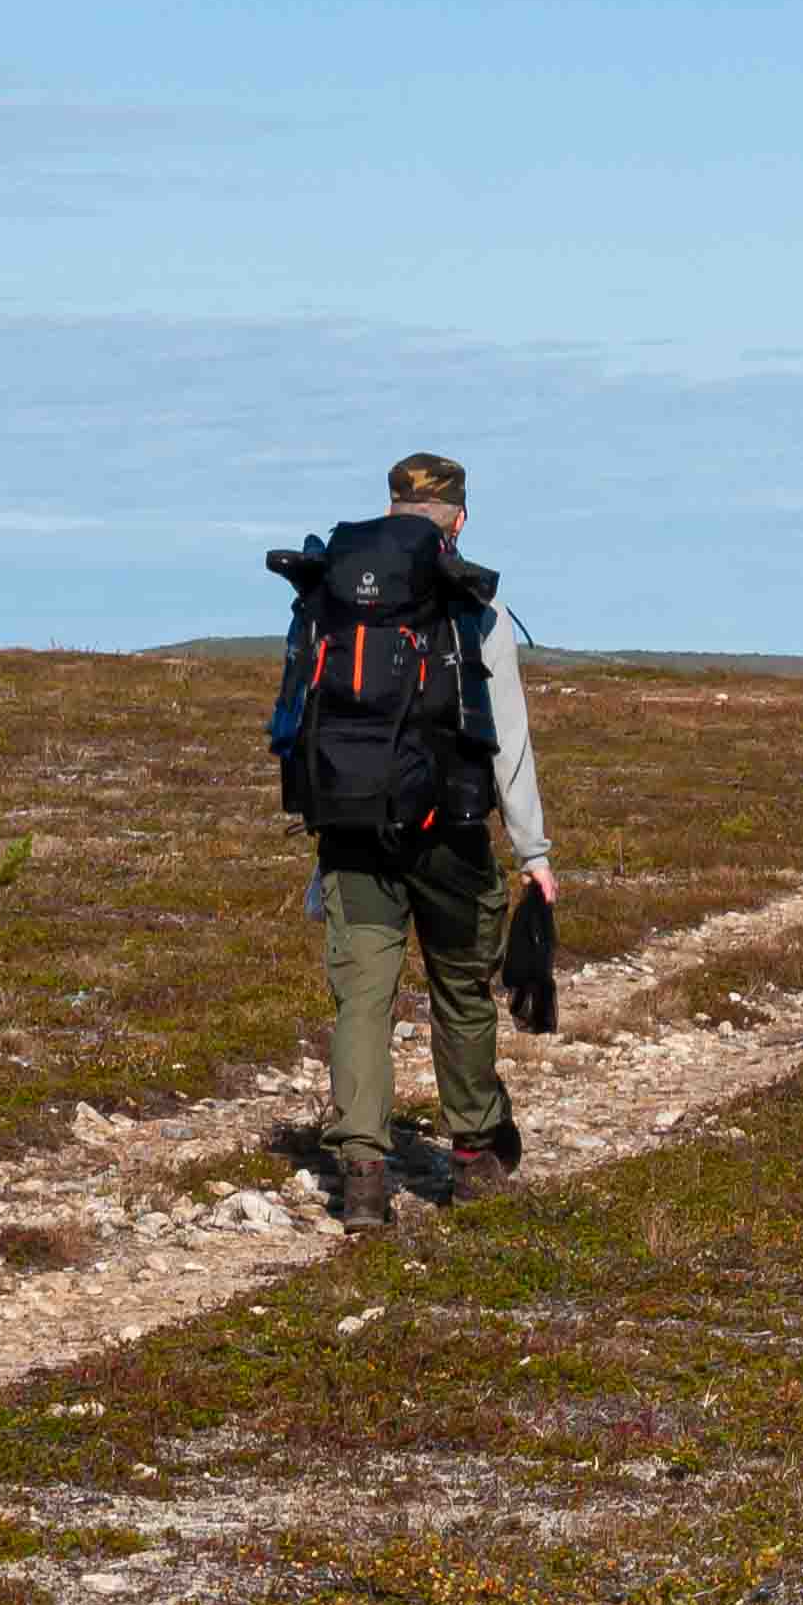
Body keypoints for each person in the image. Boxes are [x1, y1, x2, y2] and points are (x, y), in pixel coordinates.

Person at [264, 451, 562, 1224]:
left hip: (351, 830)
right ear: (458, 517)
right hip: (452, 837)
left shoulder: (328, 594)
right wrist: (533, 853)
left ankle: (362, 1174)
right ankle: (471, 1158)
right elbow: (509, 744)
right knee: (461, 992)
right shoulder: (476, 605)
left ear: (393, 506)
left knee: (363, 1000)